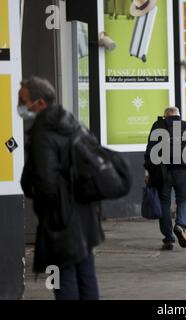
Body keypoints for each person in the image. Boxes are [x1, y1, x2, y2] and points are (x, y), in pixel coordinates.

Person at [19, 77, 104, 300]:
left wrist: (44, 206)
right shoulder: (74, 124)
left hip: (59, 221)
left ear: (39, 103)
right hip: (85, 216)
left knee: (60, 277)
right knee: (86, 274)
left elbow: (45, 184)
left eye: (24, 100)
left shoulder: (43, 134)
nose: (22, 106)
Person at [144, 107, 186, 251]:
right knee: (182, 200)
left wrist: (147, 172)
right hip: (182, 170)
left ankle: (168, 238)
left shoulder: (157, 126)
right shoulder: (185, 126)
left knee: (164, 204)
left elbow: (150, 150)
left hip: (162, 171)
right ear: (178, 115)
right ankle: (180, 225)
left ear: (165, 116)